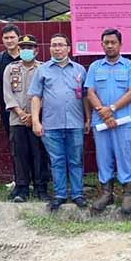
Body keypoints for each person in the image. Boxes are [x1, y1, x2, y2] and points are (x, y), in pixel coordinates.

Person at [29, 33, 90, 211]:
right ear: (49, 48)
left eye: (61, 45)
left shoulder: (79, 70)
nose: (57, 48)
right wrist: (35, 121)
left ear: (68, 48)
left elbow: (85, 97)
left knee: (76, 160)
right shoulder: (42, 70)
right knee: (56, 161)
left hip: (75, 123)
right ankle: (60, 194)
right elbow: (35, 97)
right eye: (53, 45)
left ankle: (77, 194)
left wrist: (88, 118)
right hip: (51, 124)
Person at [85, 29, 131, 214]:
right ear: (101, 44)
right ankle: (107, 194)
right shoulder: (94, 67)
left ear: (120, 44)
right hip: (100, 122)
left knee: (124, 156)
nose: (109, 46)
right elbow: (90, 92)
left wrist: (112, 109)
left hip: (123, 121)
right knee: (103, 157)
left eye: (113, 42)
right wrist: (104, 112)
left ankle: (126, 194)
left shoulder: (130, 66)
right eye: (106, 42)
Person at [3, 34, 50, 203]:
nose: (26, 51)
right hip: (17, 120)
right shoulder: (11, 68)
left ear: (36, 50)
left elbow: (46, 93)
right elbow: (7, 94)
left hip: (38, 120)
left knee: (39, 154)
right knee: (19, 154)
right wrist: (21, 114)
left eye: (29, 48)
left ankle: (41, 187)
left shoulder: (44, 68)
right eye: (23, 48)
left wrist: (33, 116)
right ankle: (22, 188)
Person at [0, 24, 22, 196]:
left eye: (12, 37)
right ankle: (19, 180)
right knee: (14, 145)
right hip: (8, 110)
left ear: (18, 38)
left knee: (33, 146)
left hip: (30, 110)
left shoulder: (27, 55)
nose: (9, 41)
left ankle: (35, 180)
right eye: (6, 38)